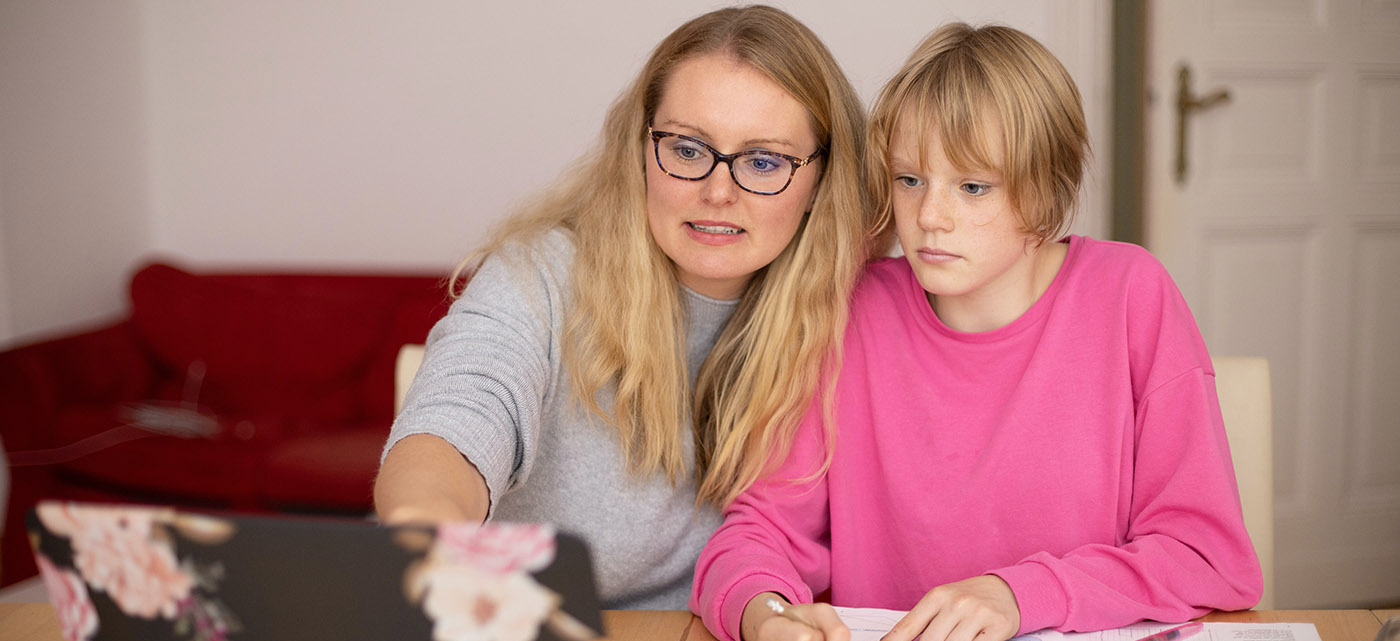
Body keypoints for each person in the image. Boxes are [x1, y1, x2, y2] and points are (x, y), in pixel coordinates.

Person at [692, 22, 1264, 641]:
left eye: (971, 187)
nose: (930, 218)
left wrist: (1021, 594)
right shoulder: (851, 310)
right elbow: (760, 534)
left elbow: (1205, 557)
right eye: (910, 179)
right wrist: (765, 617)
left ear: (1044, 190)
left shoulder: (1131, 295)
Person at [374, 5, 877, 610]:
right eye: (689, 150)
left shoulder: (856, 314)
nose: (718, 191)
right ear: (640, 149)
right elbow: (457, 416)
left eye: (763, 161)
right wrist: (427, 529)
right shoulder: (542, 276)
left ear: (822, 177)